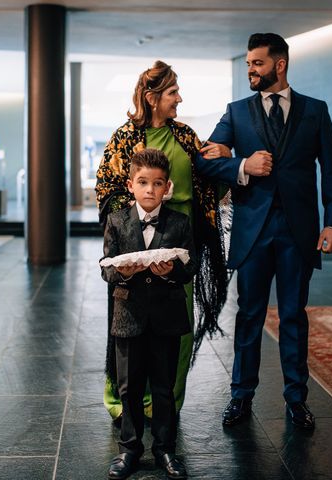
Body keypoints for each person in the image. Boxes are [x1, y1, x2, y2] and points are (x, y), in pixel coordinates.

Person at [196, 33, 332, 430]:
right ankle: (240, 397)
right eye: (247, 64)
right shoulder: (236, 112)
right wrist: (243, 165)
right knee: (249, 315)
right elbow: (204, 162)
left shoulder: (315, 111)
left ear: (279, 65)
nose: (250, 70)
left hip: (299, 231)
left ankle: (297, 400)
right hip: (255, 230)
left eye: (257, 64)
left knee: (294, 316)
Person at [95, 61, 229, 426]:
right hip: (134, 245)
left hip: (180, 241)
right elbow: (106, 191)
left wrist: (225, 161)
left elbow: (209, 185)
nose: (179, 99)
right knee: (128, 325)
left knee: (176, 325)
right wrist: (145, 211)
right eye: (173, 93)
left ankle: (167, 405)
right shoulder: (123, 138)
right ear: (152, 98)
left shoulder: (186, 137)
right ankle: (125, 404)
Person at [101, 149, 194, 479]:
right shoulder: (116, 221)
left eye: (157, 184)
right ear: (131, 185)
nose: (150, 190)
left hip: (166, 318)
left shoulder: (180, 223)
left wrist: (170, 271)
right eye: (143, 183)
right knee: (129, 388)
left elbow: (189, 268)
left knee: (164, 387)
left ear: (167, 186)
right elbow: (107, 271)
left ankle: (166, 449)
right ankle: (129, 448)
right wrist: (124, 271)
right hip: (128, 318)